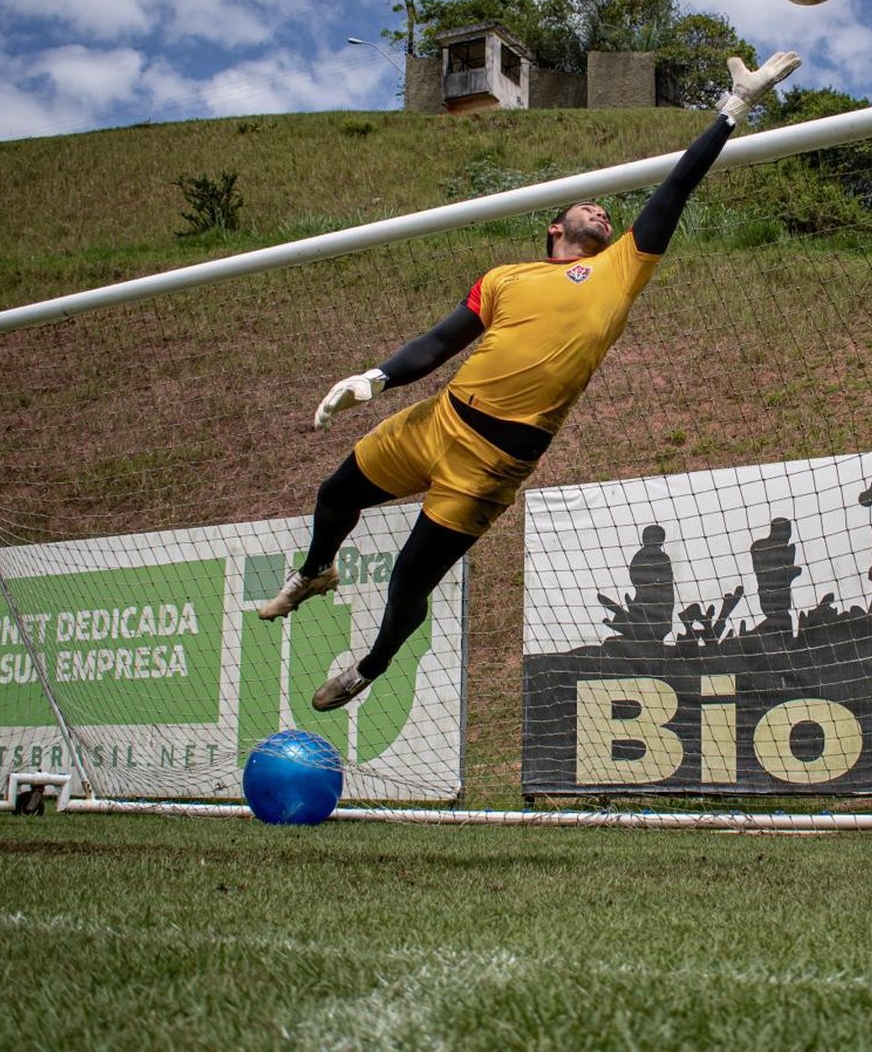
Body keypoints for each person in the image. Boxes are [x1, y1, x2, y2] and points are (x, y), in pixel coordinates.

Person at [258, 50, 802, 711]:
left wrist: (734, 108)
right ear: (554, 227)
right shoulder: (504, 277)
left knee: (407, 585)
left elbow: (676, 188)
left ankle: (371, 665)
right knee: (335, 492)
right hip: (437, 419)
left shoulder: (621, 269)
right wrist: (376, 378)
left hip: (491, 463)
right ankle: (316, 571)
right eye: (588, 207)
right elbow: (440, 341)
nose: (602, 212)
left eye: (607, 213)